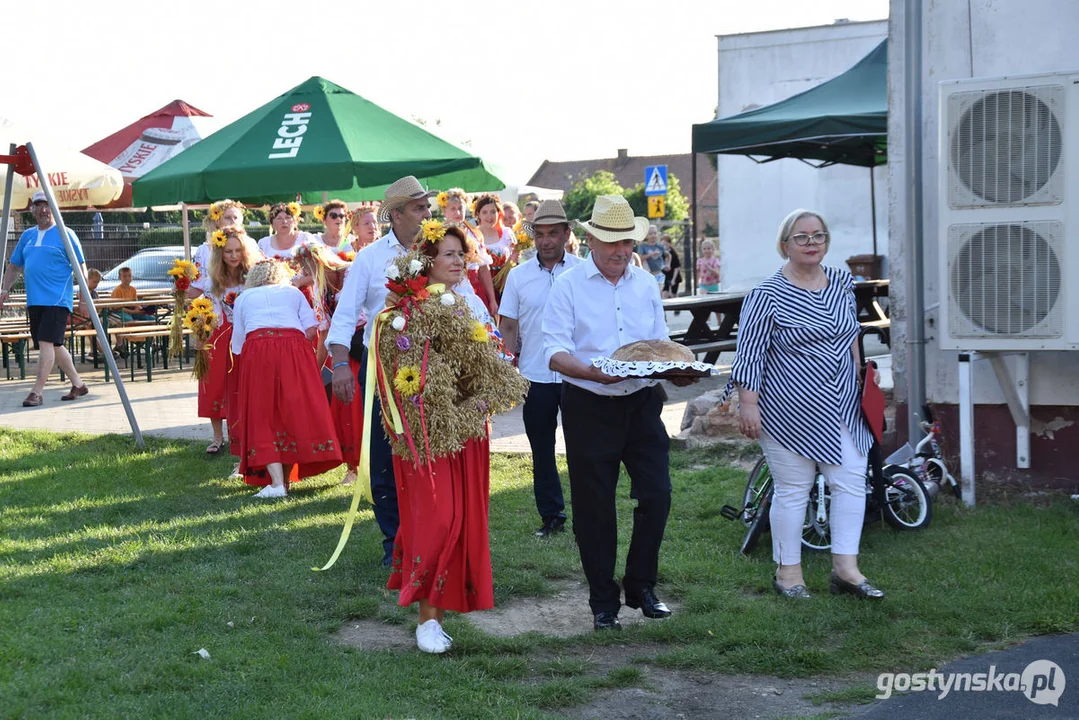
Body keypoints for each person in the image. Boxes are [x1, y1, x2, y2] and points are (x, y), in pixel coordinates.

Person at [543, 195, 695, 632]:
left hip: (643, 404)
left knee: (657, 494)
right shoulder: (568, 285)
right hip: (588, 406)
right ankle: (602, 603)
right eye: (610, 241)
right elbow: (553, 353)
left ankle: (642, 586)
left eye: (627, 241)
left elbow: (660, 344)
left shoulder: (645, 284)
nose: (620, 251)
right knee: (594, 508)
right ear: (590, 238)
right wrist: (594, 374)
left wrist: (676, 369)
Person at [374, 221, 528, 653]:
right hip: (429, 434)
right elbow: (413, 381)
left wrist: (482, 400)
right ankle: (426, 619)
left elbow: (494, 363)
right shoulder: (408, 312)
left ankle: (437, 614)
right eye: (448, 254)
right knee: (437, 520)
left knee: (463, 521)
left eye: (461, 253)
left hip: (470, 431)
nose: (458, 260)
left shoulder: (473, 305)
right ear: (427, 262)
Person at [731, 209, 883, 601]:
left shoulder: (843, 283)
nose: (811, 242)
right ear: (785, 245)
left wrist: (861, 374)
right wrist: (749, 405)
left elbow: (850, 335)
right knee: (794, 490)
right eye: (801, 237)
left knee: (851, 483)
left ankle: (846, 571)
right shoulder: (765, 295)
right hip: (788, 410)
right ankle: (788, 574)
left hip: (844, 407)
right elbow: (749, 354)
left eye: (818, 235)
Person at [328, 175, 435, 567]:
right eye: (420, 207)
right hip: (382, 373)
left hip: (432, 371)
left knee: (431, 456)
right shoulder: (371, 258)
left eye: (427, 206)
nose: (427, 213)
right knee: (385, 460)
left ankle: (430, 534)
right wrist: (341, 364)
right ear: (397, 214)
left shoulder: (441, 249)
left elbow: (466, 303)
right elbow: (344, 317)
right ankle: (395, 545)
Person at [499, 200, 582, 537]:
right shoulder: (518, 276)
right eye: (540, 234)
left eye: (553, 233)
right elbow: (507, 325)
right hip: (535, 375)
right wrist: (506, 366)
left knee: (583, 448)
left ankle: (588, 513)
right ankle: (552, 516)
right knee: (542, 450)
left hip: (578, 376)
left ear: (566, 233)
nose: (546, 241)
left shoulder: (583, 270)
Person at [231, 259, 342, 498]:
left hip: (258, 348)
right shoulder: (293, 292)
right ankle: (285, 479)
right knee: (293, 410)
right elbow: (312, 329)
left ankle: (277, 483)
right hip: (295, 349)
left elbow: (238, 341)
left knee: (263, 414)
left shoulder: (243, 298)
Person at [0, 191, 89, 407]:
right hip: (35, 301)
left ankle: (37, 392)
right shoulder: (27, 236)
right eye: (38, 205)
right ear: (32, 210)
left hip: (57, 300)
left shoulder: (66, 234)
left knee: (46, 343)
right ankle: (78, 384)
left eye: (47, 205)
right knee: (54, 345)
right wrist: (4, 290)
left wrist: (83, 298)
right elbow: (14, 266)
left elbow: (81, 268)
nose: (43, 209)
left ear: (55, 208)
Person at [186, 227, 262, 454]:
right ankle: (218, 437)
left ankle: (243, 434)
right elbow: (211, 313)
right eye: (228, 251)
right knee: (214, 384)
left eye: (238, 250)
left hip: (248, 335)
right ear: (220, 253)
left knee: (243, 385)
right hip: (220, 336)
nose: (234, 255)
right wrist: (202, 335)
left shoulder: (252, 278)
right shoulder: (212, 282)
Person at [441, 189, 498, 314]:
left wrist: (492, 299)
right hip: (448, 290)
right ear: (444, 211)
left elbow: (483, 268)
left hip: (475, 288)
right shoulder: (437, 235)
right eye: (452, 209)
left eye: (460, 208)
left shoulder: (474, 234)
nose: (457, 212)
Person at [473, 193, 519, 306]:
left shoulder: (506, 233)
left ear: (499, 213)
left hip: (505, 285)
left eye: (493, 212)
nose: (490, 216)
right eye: (484, 212)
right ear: (478, 214)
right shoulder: (473, 235)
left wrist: (512, 261)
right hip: (482, 287)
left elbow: (515, 261)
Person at [194, 200, 245, 280]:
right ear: (217, 221)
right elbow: (198, 285)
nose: (233, 221)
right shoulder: (204, 251)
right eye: (228, 218)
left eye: (236, 217)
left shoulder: (250, 246)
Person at [661, 234, 682, 299]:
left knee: (674, 294)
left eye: (666, 244)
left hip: (674, 276)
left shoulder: (673, 254)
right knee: (664, 293)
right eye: (662, 245)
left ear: (669, 244)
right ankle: (665, 308)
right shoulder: (661, 253)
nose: (664, 246)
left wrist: (673, 279)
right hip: (666, 276)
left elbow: (676, 268)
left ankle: (678, 307)